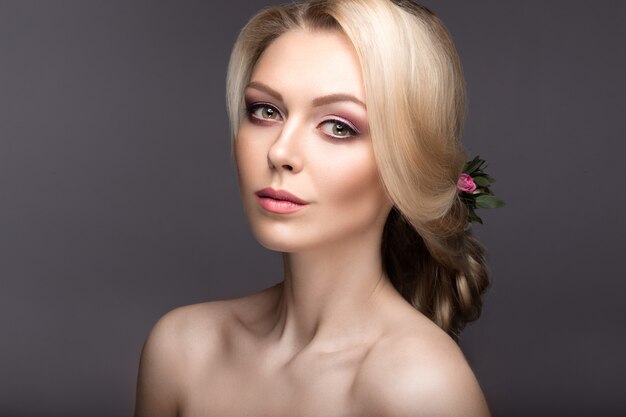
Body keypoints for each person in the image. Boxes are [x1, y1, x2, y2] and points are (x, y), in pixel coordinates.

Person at [135, 0, 497, 415]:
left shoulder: (420, 386)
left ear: (407, 166)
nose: (281, 151)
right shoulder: (183, 350)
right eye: (266, 111)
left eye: (338, 127)